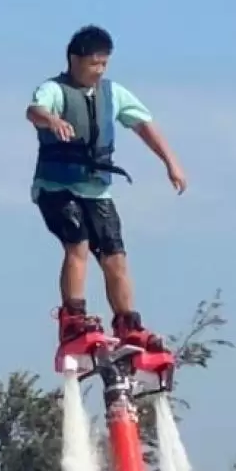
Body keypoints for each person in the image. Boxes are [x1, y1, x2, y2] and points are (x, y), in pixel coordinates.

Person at [27, 24, 188, 356]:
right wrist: (51, 121)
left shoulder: (113, 93)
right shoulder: (54, 90)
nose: (99, 70)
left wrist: (170, 162)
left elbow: (144, 125)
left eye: (104, 64)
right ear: (75, 59)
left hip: (97, 190)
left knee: (115, 256)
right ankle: (73, 319)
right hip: (56, 187)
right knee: (78, 244)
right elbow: (34, 111)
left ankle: (129, 325)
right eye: (93, 64)